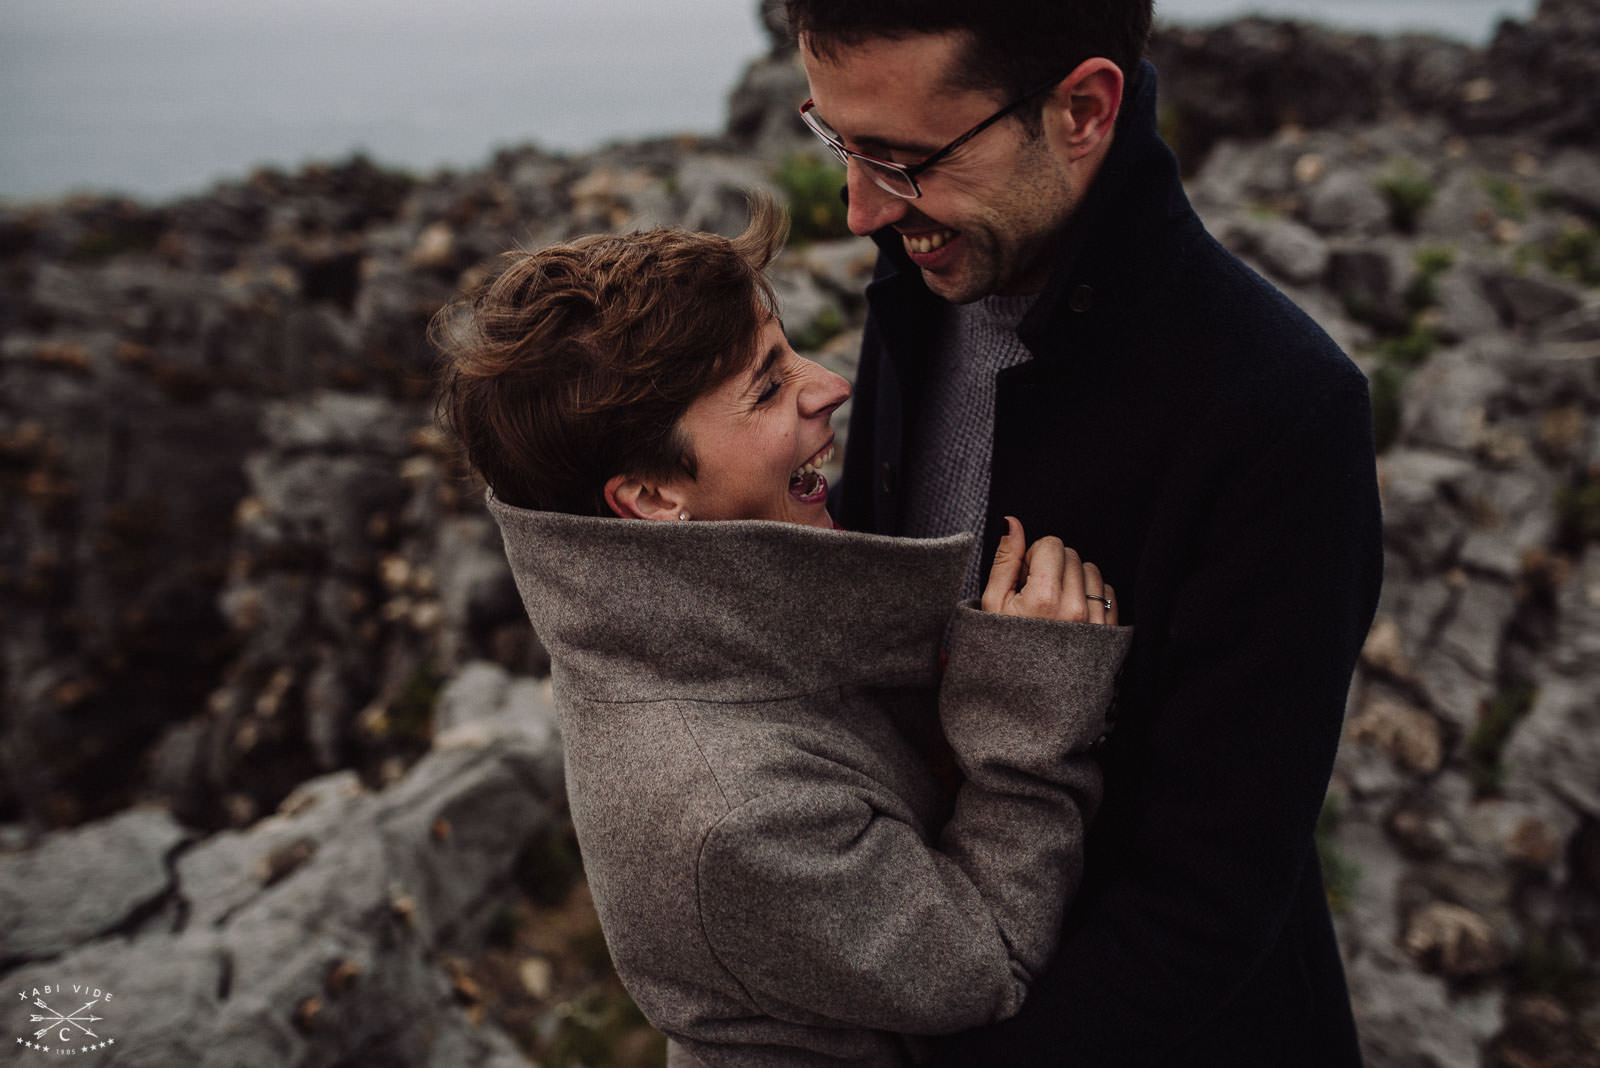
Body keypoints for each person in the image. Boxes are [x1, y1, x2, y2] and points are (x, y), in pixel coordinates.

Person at [783, 1, 1384, 1063]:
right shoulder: (920, 285)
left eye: (901, 159)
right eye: (837, 143)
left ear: (1082, 110)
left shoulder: (1280, 412)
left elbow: (1206, 901)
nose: (859, 211)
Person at [432, 197, 1133, 1067]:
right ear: (651, 500)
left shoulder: (639, 611)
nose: (833, 383)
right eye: (768, 386)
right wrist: (1029, 712)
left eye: (785, 346)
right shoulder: (730, 810)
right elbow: (983, 962)